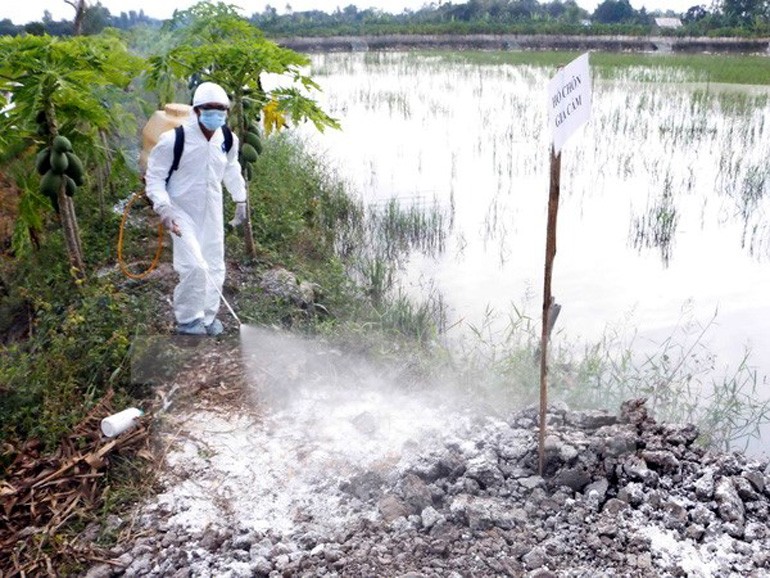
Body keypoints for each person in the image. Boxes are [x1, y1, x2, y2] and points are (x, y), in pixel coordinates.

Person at [145, 82, 248, 336]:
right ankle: (188, 321)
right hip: (180, 211)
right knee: (194, 266)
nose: (216, 114)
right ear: (197, 110)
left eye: (221, 109)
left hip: (212, 210)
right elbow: (155, 177)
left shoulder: (227, 139)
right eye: (210, 108)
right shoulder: (174, 140)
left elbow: (231, 169)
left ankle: (208, 317)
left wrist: (240, 199)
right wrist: (164, 209)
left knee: (214, 265)